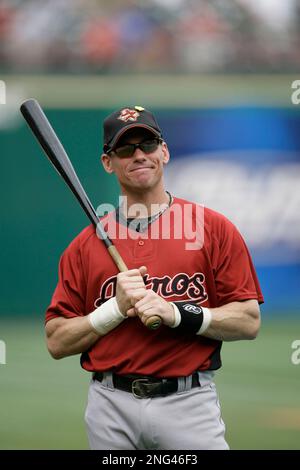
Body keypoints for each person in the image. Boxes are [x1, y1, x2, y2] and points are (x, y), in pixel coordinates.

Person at [45, 105, 263, 450]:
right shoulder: (84, 246)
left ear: (164, 151)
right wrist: (114, 310)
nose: (138, 155)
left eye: (147, 144)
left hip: (189, 402)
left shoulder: (214, 229)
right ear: (108, 162)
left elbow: (248, 321)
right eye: (125, 148)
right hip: (110, 405)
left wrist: (177, 314)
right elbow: (57, 341)